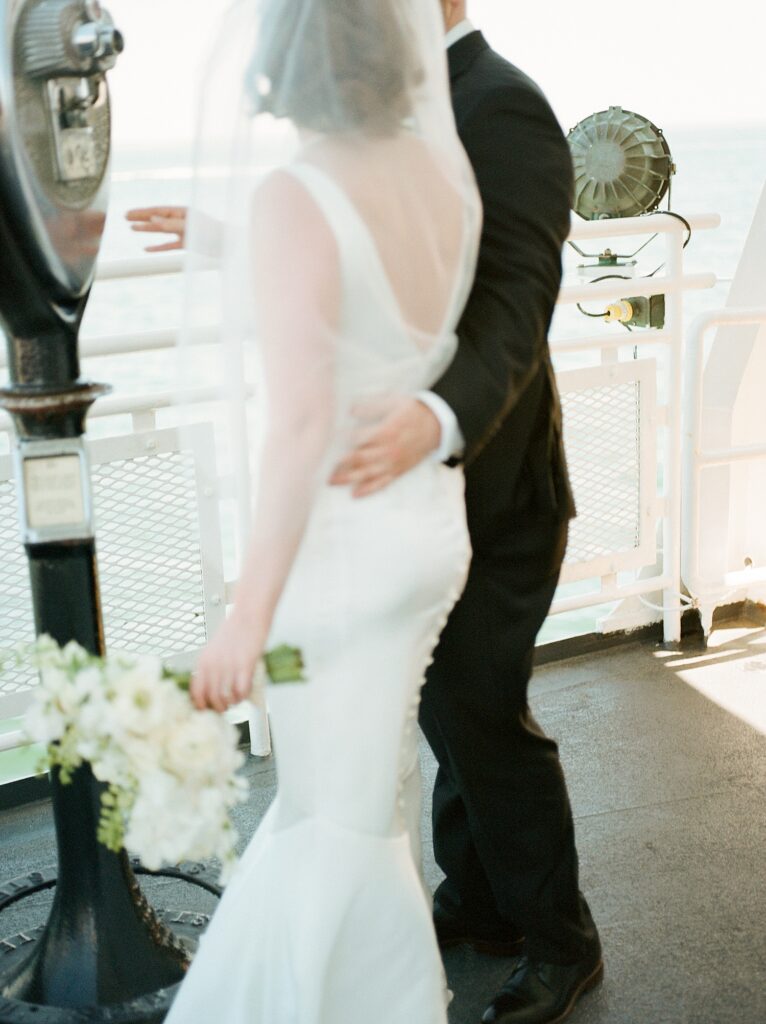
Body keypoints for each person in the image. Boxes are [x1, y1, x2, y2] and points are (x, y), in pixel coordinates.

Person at [141, 1, 482, 1022]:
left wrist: (245, 616)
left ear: (284, 61)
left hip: (341, 552)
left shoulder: (300, 190)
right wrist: (232, 237)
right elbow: (367, 300)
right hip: (426, 530)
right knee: (357, 803)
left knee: (330, 820)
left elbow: (298, 425)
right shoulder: (439, 178)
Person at [330, 4, 605, 1024]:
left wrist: (435, 421)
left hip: (496, 487)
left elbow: (517, 310)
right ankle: (480, 899)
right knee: (450, 704)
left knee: (483, 715)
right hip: (419, 487)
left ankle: (562, 941)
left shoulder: (504, 107)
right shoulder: (398, 108)